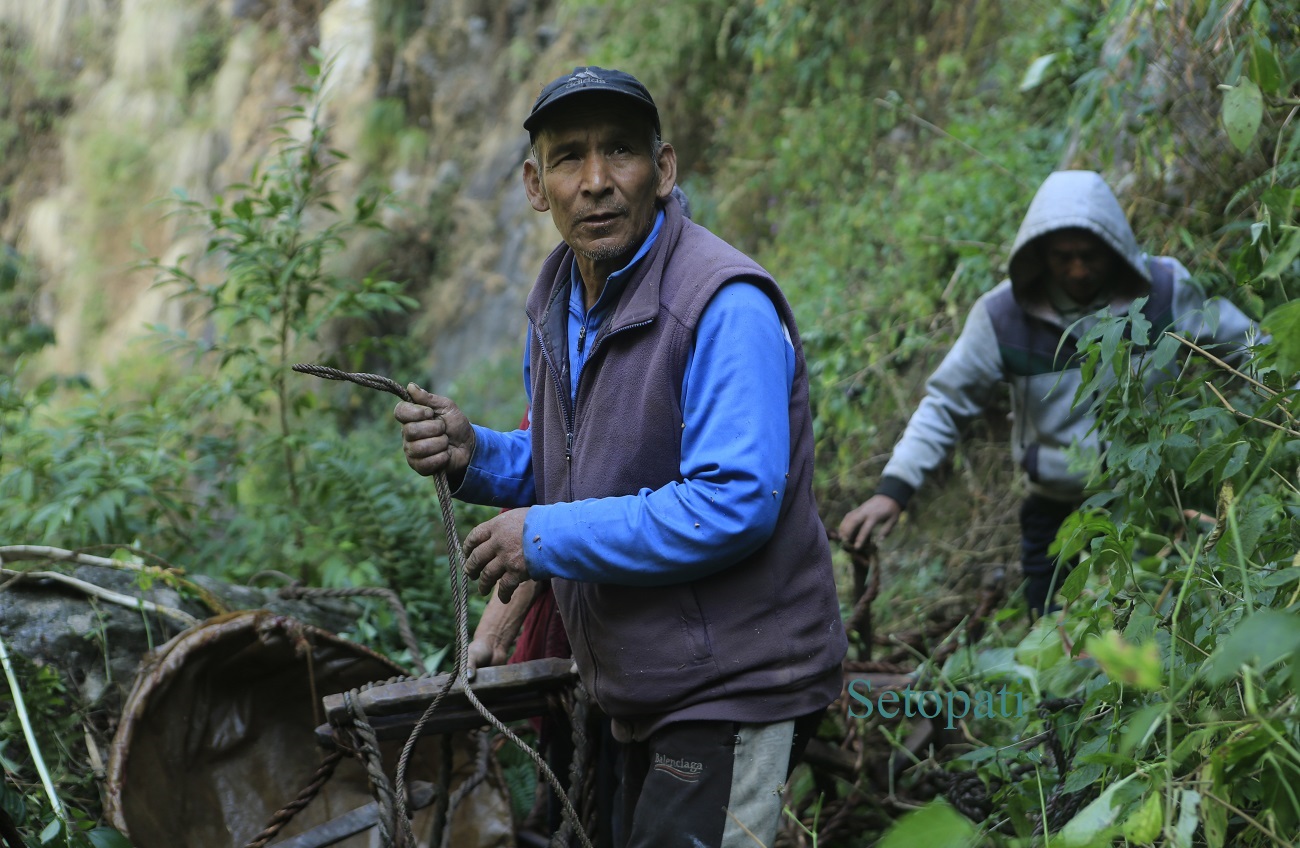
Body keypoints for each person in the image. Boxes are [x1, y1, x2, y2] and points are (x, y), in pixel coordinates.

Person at [395, 67, 846, 847]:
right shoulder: (562, 301)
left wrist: (538, 537)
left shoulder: (721, 303)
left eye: (621, 153)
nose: (597, 181)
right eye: (570, 158)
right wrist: (480, 456)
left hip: (735, 684)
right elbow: (584, 460)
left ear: (663, 170)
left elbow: (732, 501)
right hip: (640, 686)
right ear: (537, 186)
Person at [838, 169, 1261, 616]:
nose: (1077, 270)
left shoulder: (1165, 292)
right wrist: (894, 489)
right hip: (1055, 511)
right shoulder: (1002, 316)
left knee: (1153, 628)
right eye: (1063, 257)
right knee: (1051, 634)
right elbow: (945, 403)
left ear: (1115, 247)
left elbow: (1248, 349)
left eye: (1089, 255)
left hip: (1153, 506)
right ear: (1040, 254)